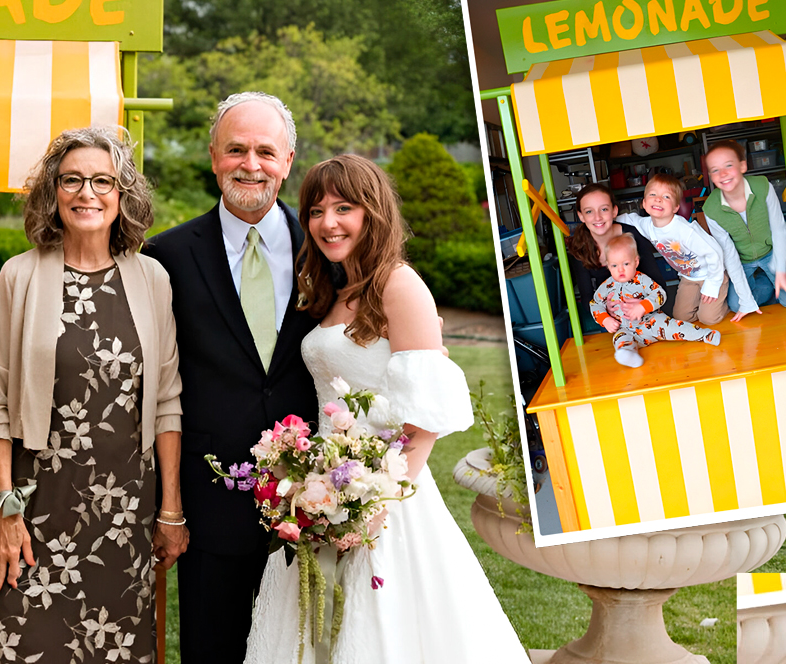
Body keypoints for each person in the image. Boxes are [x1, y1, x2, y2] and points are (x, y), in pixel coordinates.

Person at [244, 154, 527, 662]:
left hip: (385, 498)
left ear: (372, 212)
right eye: (316, 210)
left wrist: (377, 504)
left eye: (343, 208)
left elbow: (426, 416)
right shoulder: (333, 289)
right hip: (325, 488)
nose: (327, 222)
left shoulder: (399, 285)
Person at [0, 127, 187, 664]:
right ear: (53, 192)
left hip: (124, 515)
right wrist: (4, 512)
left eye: (102, 181)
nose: (87, 193)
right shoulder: (17, 277)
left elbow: (166, 402)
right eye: (72, 180)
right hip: (33, 512)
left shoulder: (152, 279)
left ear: (122, 194)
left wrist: (171, 511)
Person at [145, 92, 319, 664]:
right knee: (211, 649)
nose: (251, 164)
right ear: (214, 156)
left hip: (314, 496)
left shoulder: (327, 254)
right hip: (208, 496)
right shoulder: (165, 256)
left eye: (266, 151)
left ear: (288, 161)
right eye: (236, 149)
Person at [590, 234, 719, 369]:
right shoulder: (606, 286)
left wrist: (642, 306)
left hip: (652, 323)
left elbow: (659, 294)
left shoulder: (642, 279)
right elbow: (595, 304)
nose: (620, 269)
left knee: (674, 327)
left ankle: (705, 335)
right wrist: (605, 319)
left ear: (636, 262)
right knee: (619, 338)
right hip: (626, 329)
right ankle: (629, 354)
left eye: (626, 264)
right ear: (608, 267)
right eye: (614, 265)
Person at [617, 174, 730, 325]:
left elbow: (714, 253)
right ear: (643, 203)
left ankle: (724, 303)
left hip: (711, 273)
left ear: (676, 207)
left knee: (708, 319)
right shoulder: (647, 225)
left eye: (666, 196)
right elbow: (630, 219)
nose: (658, 199)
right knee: (681, 317)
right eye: (653, 194)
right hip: (688, 277)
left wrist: (713, 284)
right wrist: (607, 218)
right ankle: (705, 308)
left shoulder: (684, 230)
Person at [702, 139, 786, 321]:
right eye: (715, 170)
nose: (723, 174)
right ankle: (768, 285)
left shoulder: (763, 187)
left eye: (728, 165)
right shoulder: (711, 208)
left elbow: (779, 229)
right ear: (710, 175)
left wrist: (781, 270)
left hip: (772, 252)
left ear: (742, 166)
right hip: (743, 261)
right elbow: (729, 253)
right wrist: (746, 300)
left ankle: (772, 280)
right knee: (736, 304)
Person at [566, 183, 669, 331]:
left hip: (645, 311)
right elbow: (587, 298)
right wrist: (606, 312)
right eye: (589, 212)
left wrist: (642, 305)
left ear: (614, 211)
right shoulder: (579, 247)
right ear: (581, 216)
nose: (597, 217)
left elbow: (659, 285)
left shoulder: (632, 236)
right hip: (612, 318)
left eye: (604, 209)